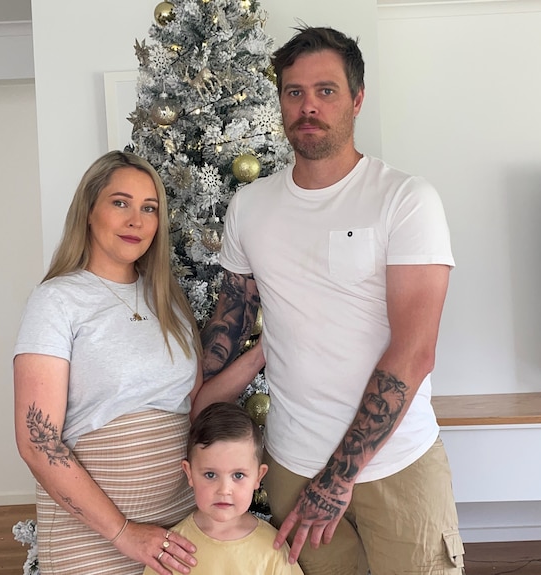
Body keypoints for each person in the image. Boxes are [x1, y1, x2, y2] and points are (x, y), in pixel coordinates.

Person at [199, 27, 465, 575]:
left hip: (396, 465)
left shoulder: (405, 200)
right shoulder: (250, 208)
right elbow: (230, 320)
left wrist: (338, 478)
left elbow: (414, 352)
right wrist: (188, 408)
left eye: (325, 90)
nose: (308, 106)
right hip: (293, 464)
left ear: (357, 100)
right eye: (294, 92)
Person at [13, 151, 260, 575]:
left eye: (149, 208)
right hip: (93, 536)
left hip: (179, 530)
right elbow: (38, 441)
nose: (137, 220)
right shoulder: (56, 300)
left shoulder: (167, 300)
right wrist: (124, 532)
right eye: (120, 203)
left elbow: (196, 404)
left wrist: (265, 351)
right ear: (89, 211)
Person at [144, 402, 304, 575]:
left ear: (258, 476)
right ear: (189, 473)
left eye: (238, 475)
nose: (224, 490)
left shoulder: (273, 548)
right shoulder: (173, 549)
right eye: (211, 475)